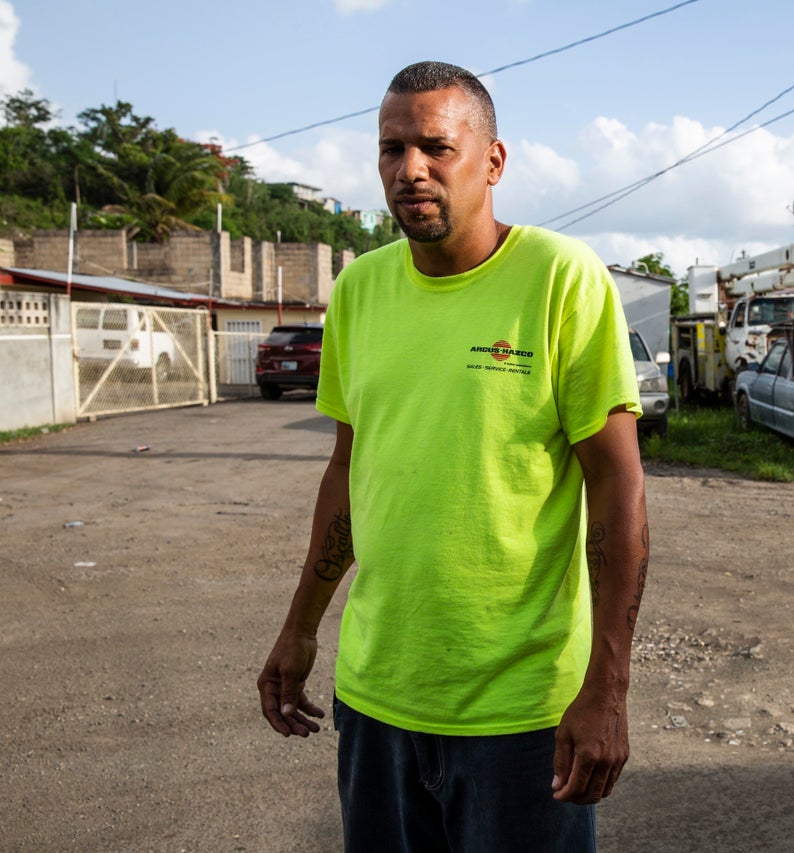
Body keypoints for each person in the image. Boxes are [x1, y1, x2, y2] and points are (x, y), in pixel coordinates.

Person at [257, 60, 649, 852]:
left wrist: (607, 684)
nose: (410, 171)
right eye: (391, 149)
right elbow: (347, 472)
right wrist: (300, 626)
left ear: (493, 161)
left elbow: (617, 483)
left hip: (523, 713)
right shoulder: (361, 291)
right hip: (377, 699)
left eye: (436, 146)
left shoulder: (560, 279)